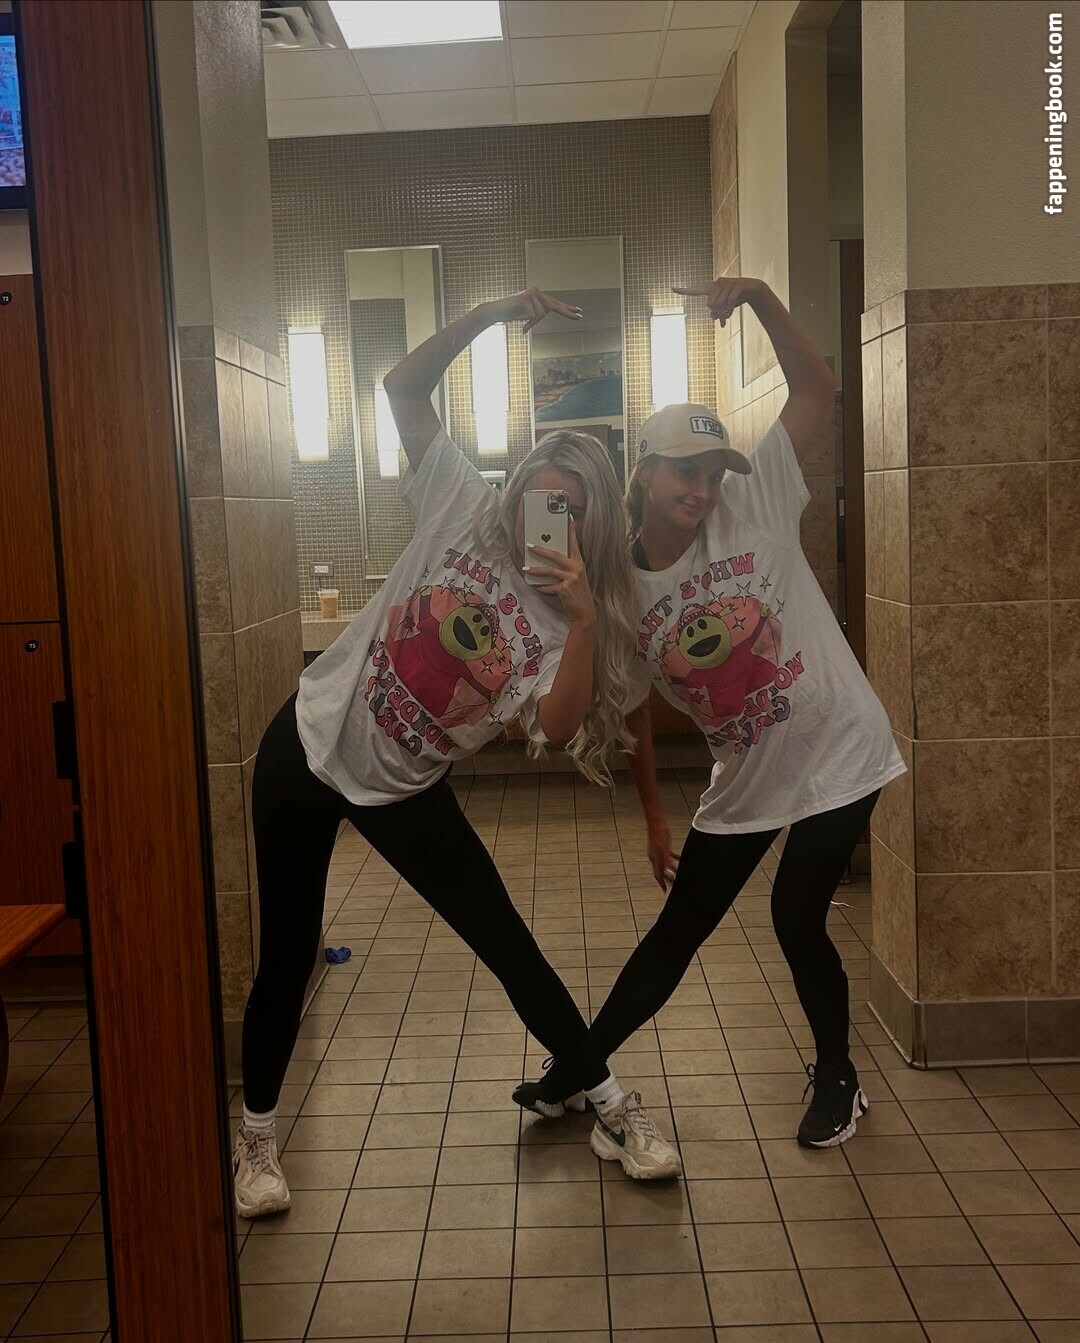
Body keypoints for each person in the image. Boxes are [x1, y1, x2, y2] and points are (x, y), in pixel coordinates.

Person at [233, 288, 663, 1219]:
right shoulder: (460, 501)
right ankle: (256, 1137)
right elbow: (401, 387)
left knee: (505, 941)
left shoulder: (565, 616)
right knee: (288, 954)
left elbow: (555, 728)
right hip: (307, 743)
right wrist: (491, 314)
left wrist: (585, 620)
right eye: (542, 496)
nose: (546, 518)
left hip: (405, 787)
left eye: (570, 509)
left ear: (591, 525)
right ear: (520, 487)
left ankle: (610, 1103)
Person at [515, 276, 906, 1154]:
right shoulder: (622, 586)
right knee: (678, 931)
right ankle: (579, 1067)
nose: (701, 488)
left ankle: (838, 1076)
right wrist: (656, 817)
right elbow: (636, 712)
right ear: (644, 473)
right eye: (685, 471)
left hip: (842, 748)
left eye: (711, 472)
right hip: (748, 774)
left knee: (796, 915)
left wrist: (762, 296)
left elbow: (818, 388)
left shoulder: (756, 502)